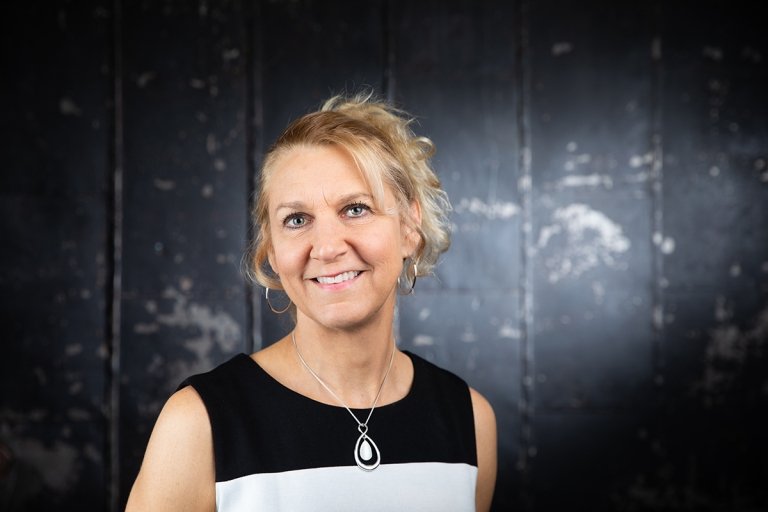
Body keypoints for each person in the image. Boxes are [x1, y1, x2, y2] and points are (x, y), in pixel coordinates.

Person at [126, 92, 497, 511]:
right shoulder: (198, 424)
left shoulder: (470, 420)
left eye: (356, 209)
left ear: (410, 228)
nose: (326, 247)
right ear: (270, 248)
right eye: (297, 220)